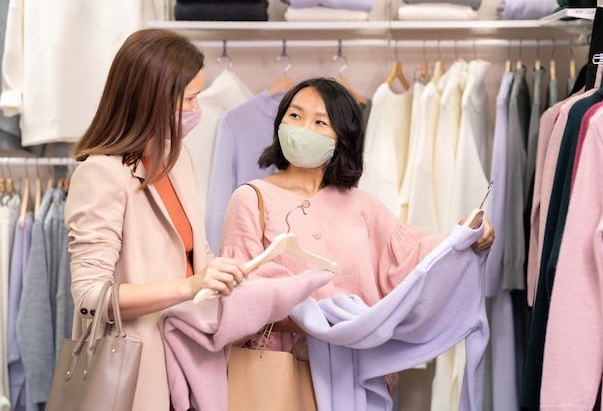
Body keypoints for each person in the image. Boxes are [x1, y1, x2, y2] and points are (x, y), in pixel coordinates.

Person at [218, 77, 495, 397]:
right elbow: (237, 295)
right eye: (294, 116)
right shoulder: (252, 198)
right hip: (282, 371)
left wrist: (464, 236)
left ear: (342, 138)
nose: (303, 128)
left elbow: (415, 255)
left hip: (357, 370)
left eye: (320, 121)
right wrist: (319, 324)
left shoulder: (362, 205)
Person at [64, 28, 248, 411]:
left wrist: (224, 271)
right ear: (150, 100)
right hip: (137, 370)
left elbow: (196, 252)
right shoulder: (101, 175)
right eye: (190, 100)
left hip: (189, 356)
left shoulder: (180, 160)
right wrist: (189, 286)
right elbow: (90, 297)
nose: (197, 110)